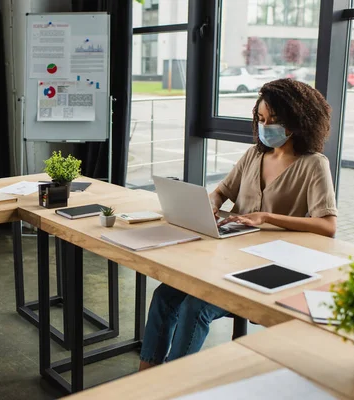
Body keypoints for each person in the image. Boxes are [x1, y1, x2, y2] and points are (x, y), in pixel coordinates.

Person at [139, 78, 338, 371]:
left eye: (274, 120)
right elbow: (222, 191)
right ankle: (146, 377)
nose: (265, 126)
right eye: (260, 119)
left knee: (196, 306)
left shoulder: (313, 164)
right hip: (226, 257)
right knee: (164, 295)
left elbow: (328, 224)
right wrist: (212, 202)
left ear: (297, 120)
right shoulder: (254, 154)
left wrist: (266, 217)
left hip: (266, 269)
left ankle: (173, 382)